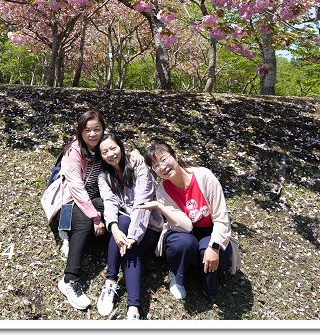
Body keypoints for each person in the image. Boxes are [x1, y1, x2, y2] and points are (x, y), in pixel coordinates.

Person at [137, 139, 240, 302]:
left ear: (175, 156)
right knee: (182, 244)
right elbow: (185, 226)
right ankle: (178, 276)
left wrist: (213, 246)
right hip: (183, 232)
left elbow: (221, 217)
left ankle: (202, 269)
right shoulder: (163, 191)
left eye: (164, 159)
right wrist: (159, 205)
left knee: (212, 282)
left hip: (210, 231)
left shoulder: (204, 176)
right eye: (156, 166)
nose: (162, 167)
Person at [95, 132, 163, 320]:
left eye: (113, 148)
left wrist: (132, 237)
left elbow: (143, 202)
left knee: (130, 247)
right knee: (122, 222)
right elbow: (110, 203)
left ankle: (133, 308)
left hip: (149, 225)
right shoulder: (104, 176)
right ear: (101, 156)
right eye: (105, 152)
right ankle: (111, 283)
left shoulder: (138, 166)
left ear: (121, 147)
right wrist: (114, 229)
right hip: (126, 224)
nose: (110, 154)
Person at [56, 108, 107, 310]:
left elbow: (120, 155)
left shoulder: (104, 145)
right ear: (80, 131)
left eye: (97, 129)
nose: (93, 134)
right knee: (85, 224)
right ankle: (69, 280)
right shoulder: (74, 151)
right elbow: (76, 187)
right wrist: (95, 217)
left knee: (116, 211)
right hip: (73, 199)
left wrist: (136, 154)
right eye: (87, 130)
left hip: (96, 197)